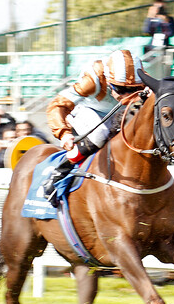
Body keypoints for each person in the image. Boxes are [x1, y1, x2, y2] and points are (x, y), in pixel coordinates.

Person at [42, 49, 148, 206]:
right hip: (86, 110)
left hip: (117, 112)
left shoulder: (143, 78)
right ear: (108, 80)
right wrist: (63, 133)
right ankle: (60, 171)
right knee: (100, 134)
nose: (126, 96)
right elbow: (56, 105)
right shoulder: (93, 79)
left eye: (133, 90)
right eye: (120, 89)